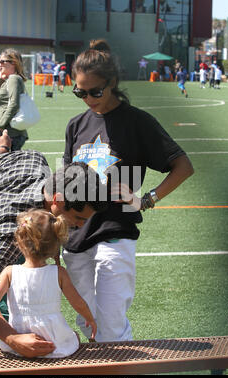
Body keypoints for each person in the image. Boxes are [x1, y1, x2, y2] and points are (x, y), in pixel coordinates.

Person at [62, 39, 194, 343]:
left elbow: (183, 166)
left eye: (95, 91)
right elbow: (68, 183)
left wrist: (146, 199)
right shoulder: (75, 125)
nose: (88, 99)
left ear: (112, 84)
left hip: (115, 232)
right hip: (75, 239)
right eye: (80, 92)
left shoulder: (137, 122)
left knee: (110, 327)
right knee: (88, 324)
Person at [0, 130, 107, 357]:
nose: (79, 227)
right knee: (38, 340)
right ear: (57, 200)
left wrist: (1, 150)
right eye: (78, 220)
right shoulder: (12, 236)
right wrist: (13, 338)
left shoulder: (32, 160)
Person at [0, 209, 96, 357]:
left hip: (20, 341)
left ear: (19, 241)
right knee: (74, 337)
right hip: (54, 342)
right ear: (55, 246)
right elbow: (78, 303)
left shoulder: (9, 272)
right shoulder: (59, 272)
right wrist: (90, 319)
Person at [0, 48, 28, 151]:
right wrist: (0, 79)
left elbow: (14, 104)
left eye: (2, 62)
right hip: (7, 133)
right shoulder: (8, 80)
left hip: (11, 134)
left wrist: (0, 126)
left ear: (13, 63)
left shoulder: (14, 79)